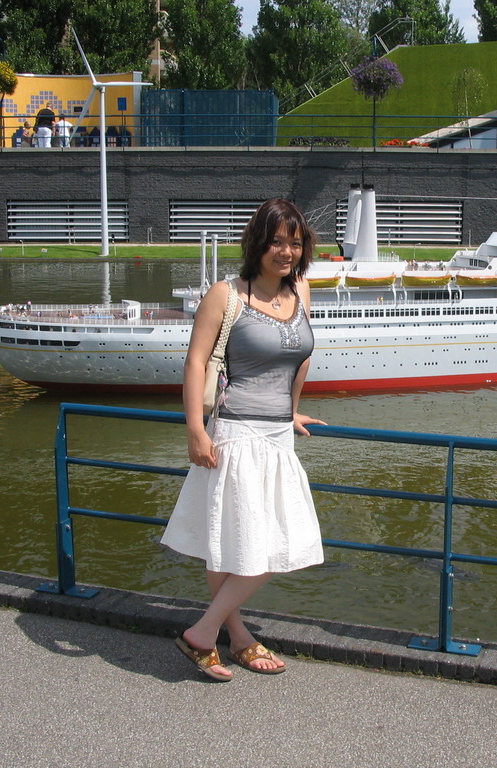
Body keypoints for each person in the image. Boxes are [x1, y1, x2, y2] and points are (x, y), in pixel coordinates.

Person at [161, 198, 326, 681]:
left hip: (277, 434)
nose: (286, 251)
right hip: (234, 432)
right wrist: (195, 428)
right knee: (253, 541)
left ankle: (229, 637)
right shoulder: (226, 295)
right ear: (258, 242)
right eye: (277, 241)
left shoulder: (302, 292)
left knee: (247, 540)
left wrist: (292, 411)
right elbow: (195, 362)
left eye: (295, 242)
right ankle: (206, 633)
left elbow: (301, 359)